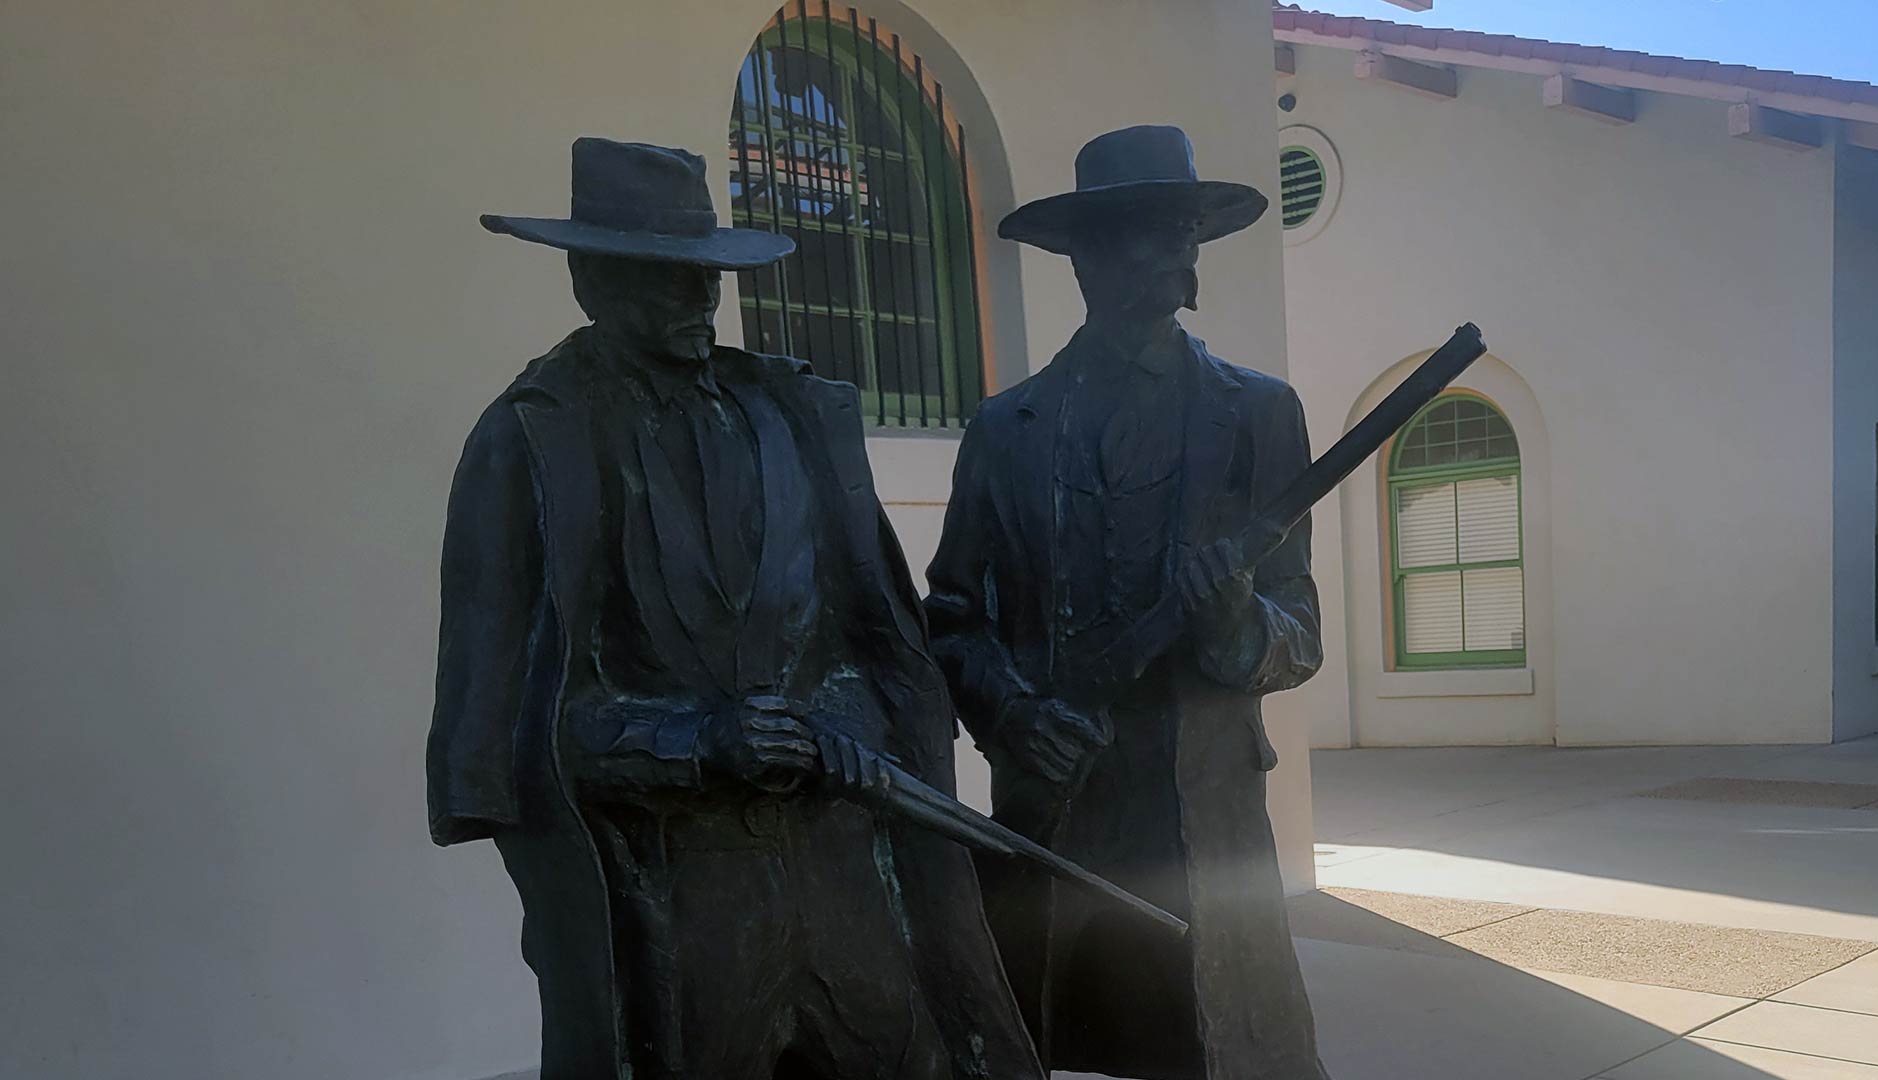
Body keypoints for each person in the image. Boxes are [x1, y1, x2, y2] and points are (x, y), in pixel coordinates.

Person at [427, 137, 1042, 1080]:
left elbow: (881, 645)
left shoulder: (792, 414)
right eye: (664, 280)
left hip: (844, 865)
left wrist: (839, 722)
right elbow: (507, 732)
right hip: (679, 894)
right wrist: (696, 742)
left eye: (706, 276)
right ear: (590, 280)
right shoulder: (529, 443)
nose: (699, 302)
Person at [925, 125, 1333, 1080]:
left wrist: (1238, 624)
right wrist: (1016, 716)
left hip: (1204, 812)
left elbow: (1299, 631)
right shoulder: (1005, 430)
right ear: (1088, 254)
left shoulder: (1259, 415)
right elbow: (949, 618)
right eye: (1151, 230)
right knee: (1040, 1040)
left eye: (1185, 229)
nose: (1178, 252)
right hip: (1057, 804)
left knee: (1221, 1047)